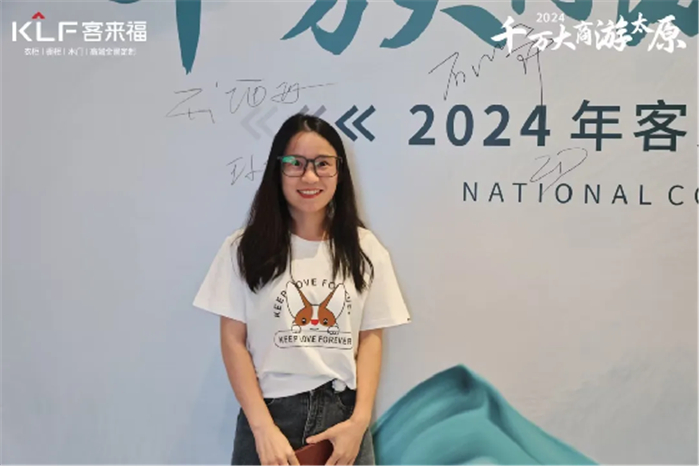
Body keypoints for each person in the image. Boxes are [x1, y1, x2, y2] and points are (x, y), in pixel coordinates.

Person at [192, 113, 412, 465]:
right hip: (269, 417)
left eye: (322, 163)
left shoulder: (365, 249)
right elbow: (233, 341)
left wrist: (359, 423)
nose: (310, 176)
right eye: (295, 163)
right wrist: (263, 428)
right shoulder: (243, 248)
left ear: (339, 171)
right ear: (277, 170)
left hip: (343, 418)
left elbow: (371, 338)